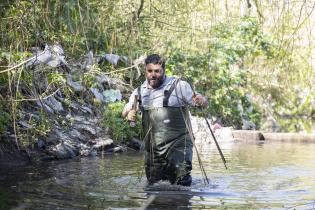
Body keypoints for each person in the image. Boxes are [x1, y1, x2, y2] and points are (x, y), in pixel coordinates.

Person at [122, 54, 208, 186]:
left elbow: (202, 103)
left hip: (179, 144)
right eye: (149, 71)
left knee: (182, 180)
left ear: (164, 70)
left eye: (157, 71)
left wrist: (202, 101)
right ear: (145, 71)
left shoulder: (179, 86)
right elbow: (125, 111)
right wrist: (128, 114)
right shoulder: (140, 91)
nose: (153, 75)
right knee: (154, 184)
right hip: (153, 149)